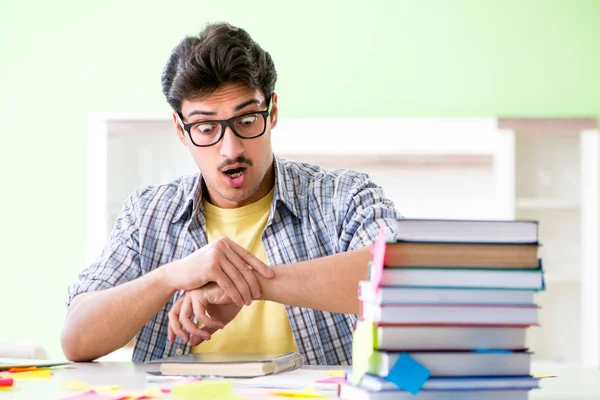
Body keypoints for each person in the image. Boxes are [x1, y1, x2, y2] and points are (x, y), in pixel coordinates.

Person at [61, 22, 401, 366]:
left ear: (273, 112)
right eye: (206, 128)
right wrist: (170, 277)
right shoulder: (147, 213)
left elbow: (401, 279)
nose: (231, 149)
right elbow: (76, 339)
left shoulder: (343, 196)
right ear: (181, 130)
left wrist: (247, 284)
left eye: (248, 119)